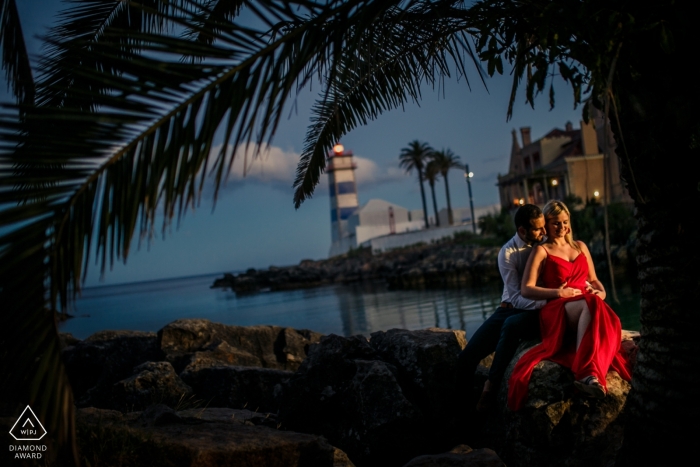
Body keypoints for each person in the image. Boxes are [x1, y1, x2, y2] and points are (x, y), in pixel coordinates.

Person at [507, 200, 632, 411]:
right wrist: (559, 292)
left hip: (586, 302)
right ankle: (586, 374)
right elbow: (526, 289)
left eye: (565, 222)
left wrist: (601, 292)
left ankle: (592, 379)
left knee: (603, 310)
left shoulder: (580, 247)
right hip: (557, 307)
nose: (562, 227)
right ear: (546, 225)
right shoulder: (542, 251)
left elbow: (594, 280)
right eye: (555, 223)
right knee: (592, 306)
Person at [456, 204, 552, 412]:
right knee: (465, 359)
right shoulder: (508, 253)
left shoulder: (547, 244)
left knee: (511, 327)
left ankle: (490, 391)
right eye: (538, 229)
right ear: (522, 231)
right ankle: (464, 415)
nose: (544, 232)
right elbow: (516, 298)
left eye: (544, 227)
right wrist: (544, 302)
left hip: (535, 310)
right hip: (510, 306)